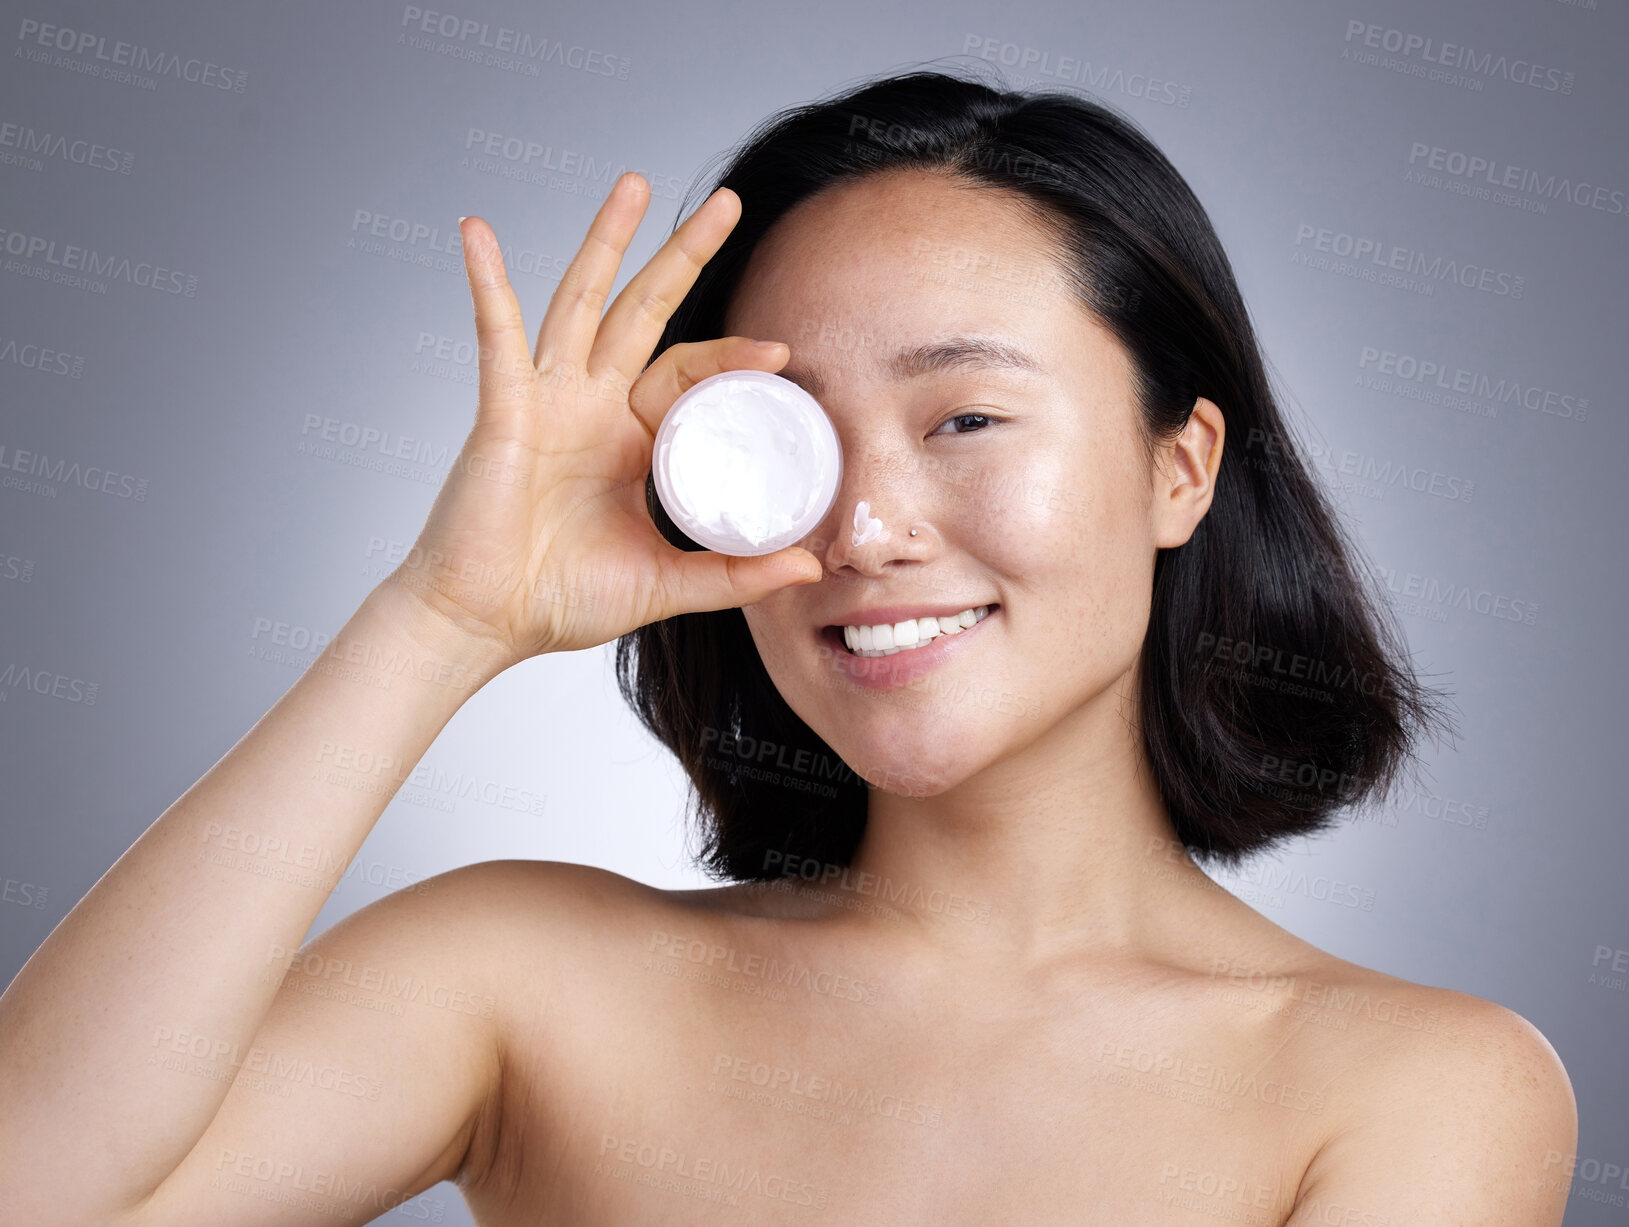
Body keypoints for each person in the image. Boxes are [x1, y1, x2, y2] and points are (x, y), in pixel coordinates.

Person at [0, 67, 1576, 1225]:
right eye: (791, 446)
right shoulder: (527, 983)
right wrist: (440, 618)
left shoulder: (1412, 1089)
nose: (865, 528)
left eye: (963, 416)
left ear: (1180, 468)